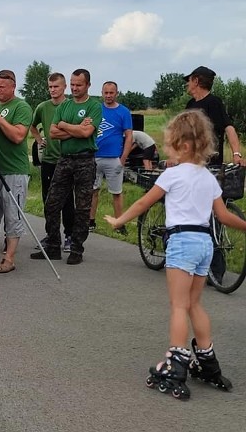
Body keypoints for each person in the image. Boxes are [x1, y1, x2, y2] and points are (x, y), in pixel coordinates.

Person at [104, 109, 242, 399]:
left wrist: (119, 221)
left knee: (178, 306)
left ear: (186, 146)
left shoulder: (173, 175)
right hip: (205, 243)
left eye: (170, 144)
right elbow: (223, 216)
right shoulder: (207, 177)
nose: (166, 150)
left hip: (181, 242)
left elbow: (143, 203)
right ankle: (206, 358)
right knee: (194, 304)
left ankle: (176, 362)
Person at [30, 69, 102, 265]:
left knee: (82, 206)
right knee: (52, 203)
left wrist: (66, 125)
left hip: (85, 160)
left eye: (79, 84)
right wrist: (76, 128)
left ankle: (77, 248)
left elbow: (87, 132)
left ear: (88, 85)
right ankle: (53, 245)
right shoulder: (65, 105)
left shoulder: (94, 106)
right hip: (64, 158)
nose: (75, 88)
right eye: (72, 84)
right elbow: (53, 133)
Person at [0, 70, 33, 273]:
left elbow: (18, 136)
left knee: (13, 215)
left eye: (2, 87)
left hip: (13, 170)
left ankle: (9, 258)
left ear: (13, 86)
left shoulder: (21, 107)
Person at [29, 72, 74, 253]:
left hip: (66, 158)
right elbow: (32, 126)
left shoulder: (70, 105)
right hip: (48, 159)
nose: (53, 90)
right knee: (48, 200)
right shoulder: (43, 107)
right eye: (50, 87)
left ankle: (69, 235)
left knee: (67, 200)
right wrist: (40, 140)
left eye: (56, 87)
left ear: (64, 87)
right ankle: (51, 234)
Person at [89, 81, 133, 234]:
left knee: (116, 191)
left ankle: (119, 223)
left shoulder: (124, 112)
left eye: (111, 93)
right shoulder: (96, 109)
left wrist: (123, 157)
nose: (108, 96)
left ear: (116, 93)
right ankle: (90, 221)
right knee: (93, 190)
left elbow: (129, 136)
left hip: (114, 157)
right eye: (105, 92)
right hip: (95, 156)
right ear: (102, 93)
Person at [184, 66, 245, 167]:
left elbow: (229, 128)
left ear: (196, 81)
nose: (187, 84)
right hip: (190, 162)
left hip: (210, 165)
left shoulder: (214, 103)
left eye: (189, 80)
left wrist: (236, 154)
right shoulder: (190, 104)